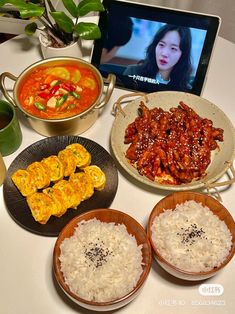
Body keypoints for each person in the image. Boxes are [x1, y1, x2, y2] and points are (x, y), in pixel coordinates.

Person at [123, 24, 193, 91]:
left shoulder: (185, 90)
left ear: (183, 54)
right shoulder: (133, 72)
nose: (164, 53)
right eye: (161, 45)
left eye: (173, 48)